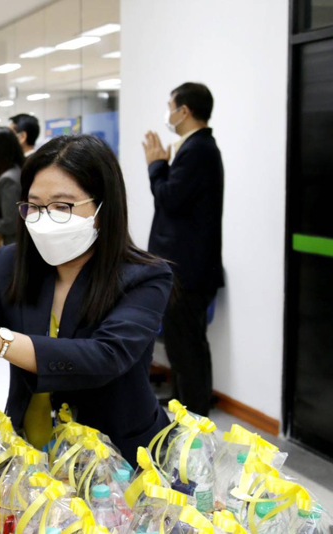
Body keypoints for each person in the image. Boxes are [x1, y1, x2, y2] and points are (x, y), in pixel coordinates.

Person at [0, 135, 172, 462]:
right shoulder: (14, 262)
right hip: (30, 450)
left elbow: (105, 356)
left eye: (62, 206)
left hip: (117, 458)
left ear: (103, 206)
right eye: (34, 206)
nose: (44, 218)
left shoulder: (144, 276)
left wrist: (0, 341)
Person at [142, 82, 224, 417]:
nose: (169, 112)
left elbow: (170, 199)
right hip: (192, 271)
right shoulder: (196, 148)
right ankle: (189, 419)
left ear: (184, 111)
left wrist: (156, 166)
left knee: (186, 353)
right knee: (188, 351)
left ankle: (191, 425)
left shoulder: (198, 150)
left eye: (171, 105)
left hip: (186, 274)